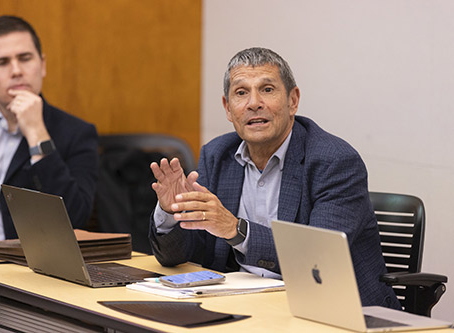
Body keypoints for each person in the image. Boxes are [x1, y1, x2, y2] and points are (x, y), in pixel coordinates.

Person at [148, 47, 401, 309]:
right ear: (227, 108)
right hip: (243, 306)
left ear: (293, 100)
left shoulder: (334, 160)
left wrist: (236, 230)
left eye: (267, 90)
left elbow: (316, 261)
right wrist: (170, 213)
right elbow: (178, 257)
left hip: (331, 311)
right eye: (241, 92)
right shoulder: (217, 155)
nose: (254, 103)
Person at [0, 15, 98, 241]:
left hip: (23, 264)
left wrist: (37, 135)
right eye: (2, 62)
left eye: (25, 58)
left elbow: (75, 218)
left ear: (42, 65)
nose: (16, 70)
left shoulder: (76, 133)